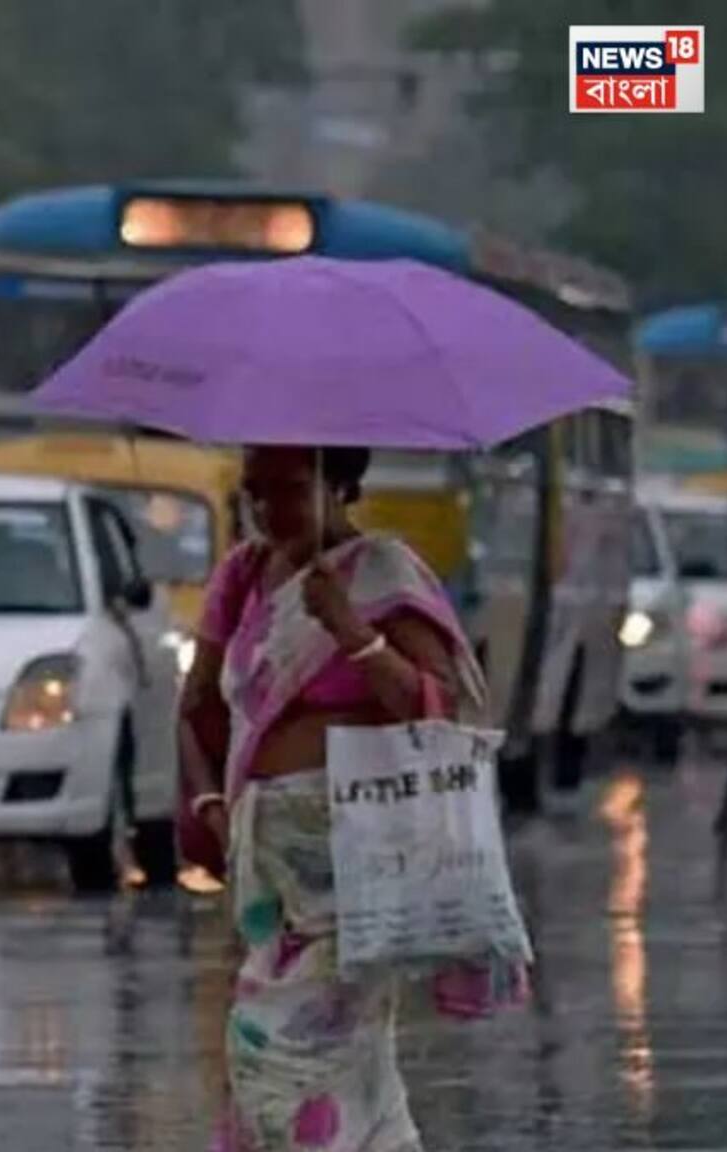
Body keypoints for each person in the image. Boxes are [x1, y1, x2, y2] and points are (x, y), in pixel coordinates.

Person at [179, 446, 526, 1152]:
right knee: (335, 1063)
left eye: (291, 490)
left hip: (357, 866)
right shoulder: (244, 577)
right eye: (255, 493)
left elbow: (437, 712)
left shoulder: (383, 574)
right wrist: (211, 805)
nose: (269, 511)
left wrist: (348, 629)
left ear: (339, 482)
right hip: (266, 875)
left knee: (283, 1058)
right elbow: (196, 710)